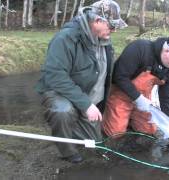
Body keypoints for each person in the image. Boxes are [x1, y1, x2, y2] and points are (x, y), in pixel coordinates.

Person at [35, 0, 127, 163]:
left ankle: (75, 124)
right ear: (97, 20)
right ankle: (67, 151)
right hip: (58, 91)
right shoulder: (65, 38)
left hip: (86, 95)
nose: (114, 30)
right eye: (111, 26)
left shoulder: (104, 40)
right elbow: (55, 76)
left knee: (95, 146)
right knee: (63, 111)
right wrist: (86, 104)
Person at [102, 35, 169, 141]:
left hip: (144, 100)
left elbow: (166, 99)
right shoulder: (139, 49)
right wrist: (138, 98)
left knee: (149, 130)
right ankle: (115, 118)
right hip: (121, 94)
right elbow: (119, 76)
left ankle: (130, 122)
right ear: (166, 50)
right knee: (115, 134)